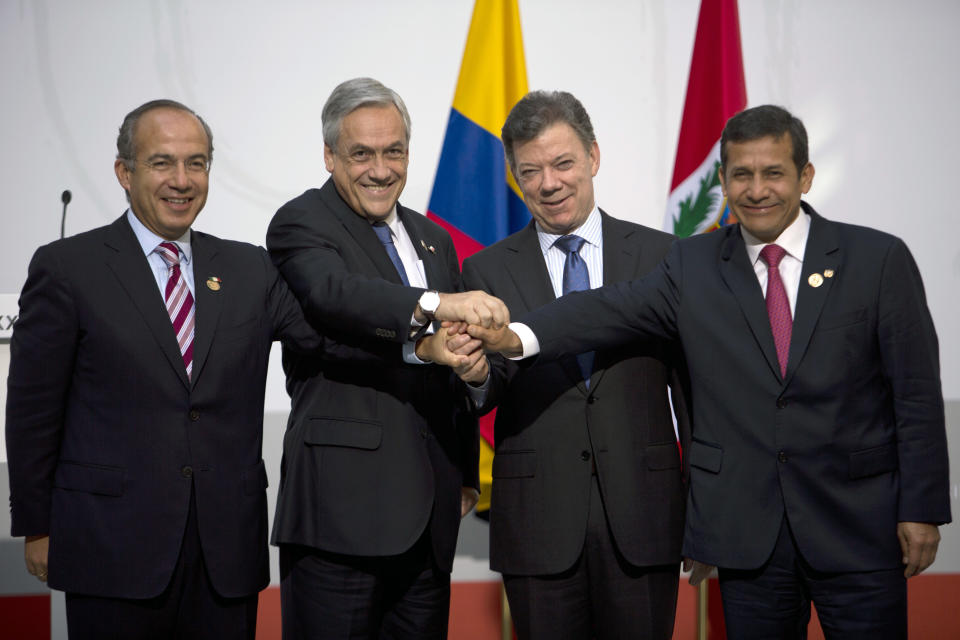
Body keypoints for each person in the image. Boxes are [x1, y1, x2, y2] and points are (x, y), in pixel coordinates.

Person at [471, 105, 950, 639]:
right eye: (741, 175)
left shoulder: (877, 259)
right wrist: (516, 337)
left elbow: (915, 395)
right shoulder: (694, 264)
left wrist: (923, 508)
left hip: (859, 528)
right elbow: (605, 310)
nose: (756, 189)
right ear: (722, 181)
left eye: (773, 173)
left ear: (805, 176)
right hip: (750, 541)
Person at [5, 99, 324, 639]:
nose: (182, 180)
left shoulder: (249, 268)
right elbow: (33, 409)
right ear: (124, 173)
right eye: (162, 163)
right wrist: (37, 525)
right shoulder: (67, 268)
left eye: (196, 163)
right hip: (110, 548)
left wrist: (422, 335)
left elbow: (325, 342)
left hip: (224, 550)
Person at [459, 90, 690, 639]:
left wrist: (708, 514)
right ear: (515, 178)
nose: (549, 183)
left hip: (646, 518)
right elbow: (482, 394)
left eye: (563, 163)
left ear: (593, 157)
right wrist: (472, 376)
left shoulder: (662, 256)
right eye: (530, 171)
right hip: (537, 523)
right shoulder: (483, 270)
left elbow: (692, 390)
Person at [266, 77, 491, 639]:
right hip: (342, 515)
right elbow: (335, 297)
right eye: (361, 153)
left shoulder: (433, 238)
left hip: (430, 516)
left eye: (394, 151)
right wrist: (435, 304)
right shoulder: (302, 223)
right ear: (329, 156)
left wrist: (463, 468)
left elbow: (450, 363)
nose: (380, 168)